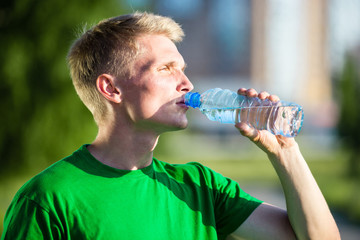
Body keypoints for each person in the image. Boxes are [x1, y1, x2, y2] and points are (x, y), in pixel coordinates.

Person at [1, 12, 340, 240]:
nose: (187, 84)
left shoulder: (200, 187)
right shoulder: (48, 199)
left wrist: (285, 152)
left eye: (183, 68)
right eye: (165, 69)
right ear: (111, 89)